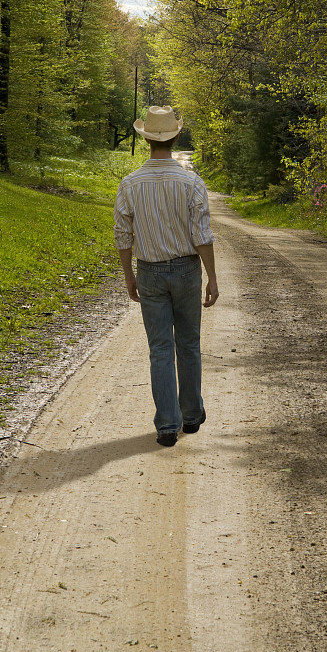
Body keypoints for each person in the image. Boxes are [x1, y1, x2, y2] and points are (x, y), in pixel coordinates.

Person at [113, 105, 219, 447]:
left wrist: (129, 275)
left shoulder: (130, 184)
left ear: (146, 141)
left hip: (150, 272)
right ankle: (191, 416)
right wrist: (212, 277)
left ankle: (167, 426)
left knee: (160, 348)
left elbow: (123, 235)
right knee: (189, 344)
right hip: (187, 269)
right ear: (174, 136)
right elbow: (201, 235)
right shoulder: (191, 182)